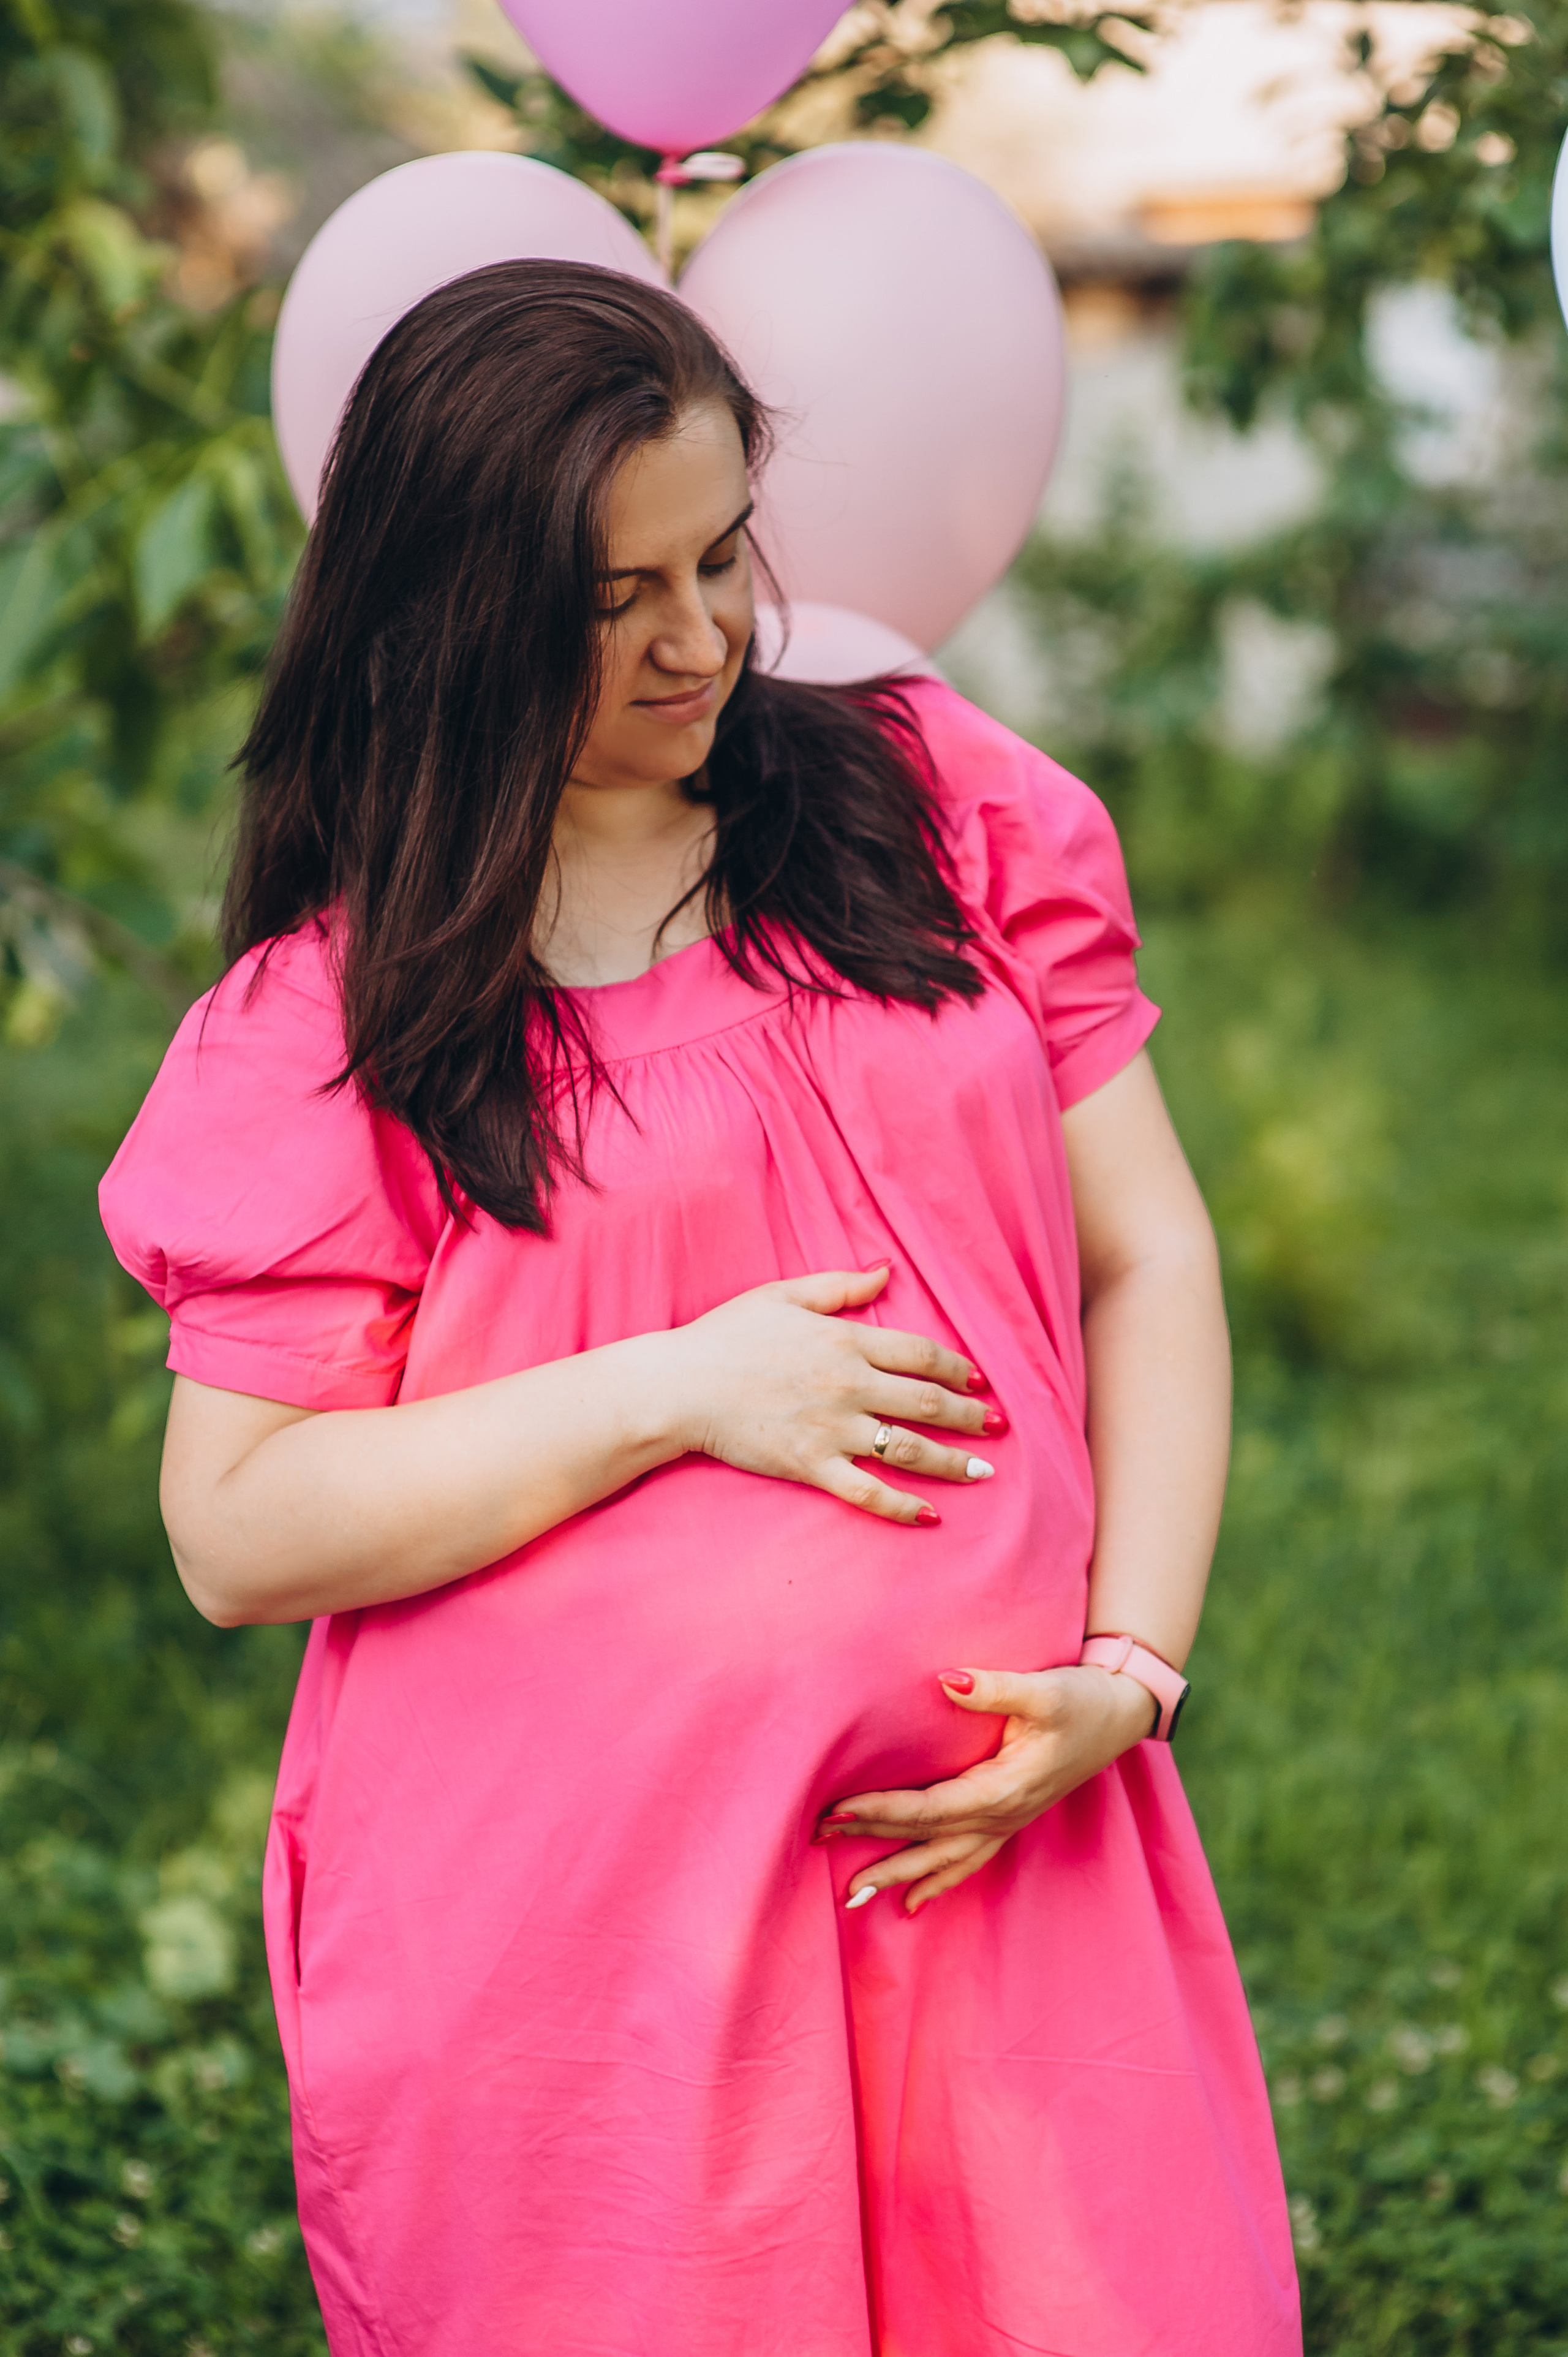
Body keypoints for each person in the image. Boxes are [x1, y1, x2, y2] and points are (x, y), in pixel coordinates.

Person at [100, 260, 1300, 2357]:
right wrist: (677, 1387)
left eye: (722, 554)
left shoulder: (933, 804)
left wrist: (1133, 1662)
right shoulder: (344, 1017)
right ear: (451, 612)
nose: (701, 638)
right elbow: (236, 1528)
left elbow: (1148, 1254)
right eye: (610, 598)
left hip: (993, 1847)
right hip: (587, 1944)